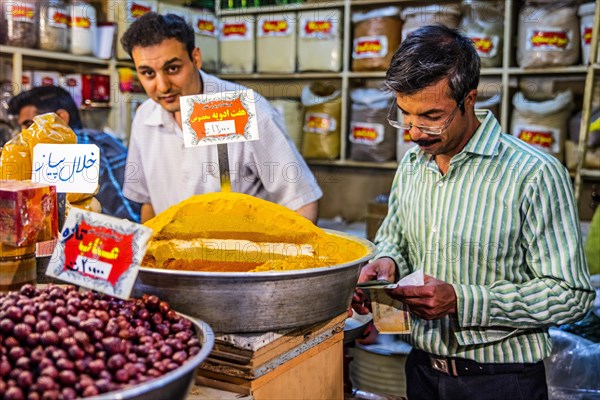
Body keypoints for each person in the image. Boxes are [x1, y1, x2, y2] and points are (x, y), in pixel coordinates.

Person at [355, 25, 595, 400]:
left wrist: (462, 301)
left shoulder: (534, 174)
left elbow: (570, 293)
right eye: (405, 115)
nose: (414, 133)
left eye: (432, 116)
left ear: (469, 99)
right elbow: (395, 237)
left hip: (500, 381)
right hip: (421, 370)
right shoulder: (414, 164)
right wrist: (387, 262)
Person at [119, 12, 322, 223]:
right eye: (148, 73)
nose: (162, 86)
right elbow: (149, 203)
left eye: (173, 68)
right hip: (175, 254)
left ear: (195, 58)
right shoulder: (144, 117)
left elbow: (302, 201)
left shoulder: (244, 109)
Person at [7, 85, 142, 222]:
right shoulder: (91, 139)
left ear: (60, 118)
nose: (23, 134)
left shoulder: (79, 146)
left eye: (30, 125)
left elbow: (123, 215)